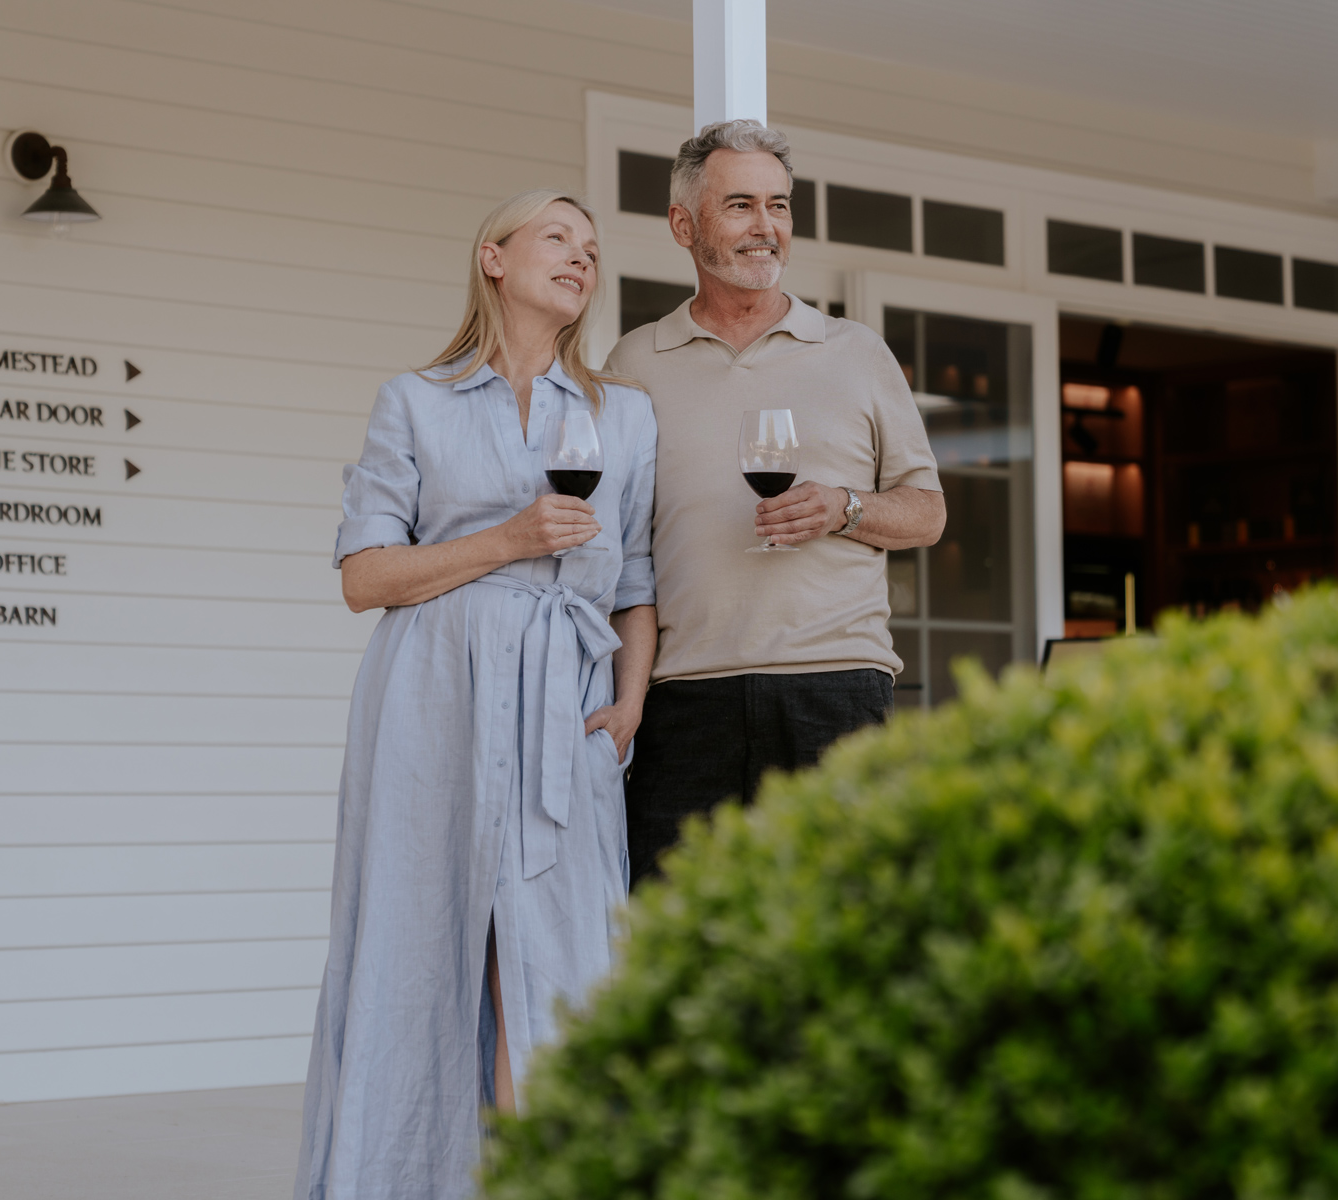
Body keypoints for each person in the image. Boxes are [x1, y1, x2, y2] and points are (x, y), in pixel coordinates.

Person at [296, 190, 657, 1200]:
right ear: (494, 258)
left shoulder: (624, 416)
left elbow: (636, 583)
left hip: (568, 710)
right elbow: (365, 577)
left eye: (593, 249)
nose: (582, 258)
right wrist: (507, 539)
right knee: (418, 942)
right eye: (558, 238)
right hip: (430, 707)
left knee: (562, 956)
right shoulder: (414, 401)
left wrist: (628, 706)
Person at [606, 120, 945, 883]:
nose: (766, 226)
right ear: (684, 225)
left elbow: (928, 512)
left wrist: (846, 508)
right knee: (676, 928)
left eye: (780, 206)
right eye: (741, 206)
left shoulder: (857, 352)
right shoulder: (633, 363)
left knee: (842, 930)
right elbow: (622, 551)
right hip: (686, 700)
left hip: (835, 690)